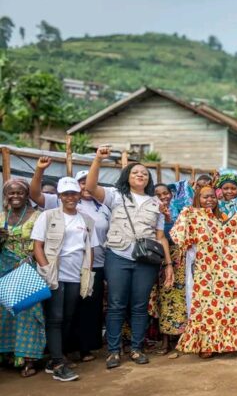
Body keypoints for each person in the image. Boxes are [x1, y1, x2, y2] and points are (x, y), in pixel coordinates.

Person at [85, 146, 174, 369]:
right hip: (118, 255)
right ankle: (114, 352)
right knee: (116, 304)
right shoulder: (115, 195)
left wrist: (169, 264)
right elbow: (90, 186)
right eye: (135, 172)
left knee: (140, 306)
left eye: (144, 173)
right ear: (127, 176)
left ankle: (136, 349)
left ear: (149, 179)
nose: (140, 175)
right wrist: (98, 159)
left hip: (146, 262)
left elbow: (161, 237)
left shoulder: (157, 204)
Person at [30, 160, 111, 362]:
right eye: (65, 194)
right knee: (55, 317)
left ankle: (61, 353)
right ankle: (57, 359)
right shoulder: (48, 216)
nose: (70, 197)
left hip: (76, 275)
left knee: (69, 316)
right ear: (59, 196)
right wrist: (46, 270)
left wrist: (88, 275)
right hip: (55, 273)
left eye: (73, 193)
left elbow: (89, 249)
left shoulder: (87, 219)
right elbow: (37, 246)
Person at [171, 186, 237, 357]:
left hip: (226, 271)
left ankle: (229, 343)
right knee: (203, 307)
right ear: (198, 198)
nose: (210, 200)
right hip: (203, 270)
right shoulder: (191, 216)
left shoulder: (223, 217)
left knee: (228, 307)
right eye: (205, 197)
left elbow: (233, 235)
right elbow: (179, 238)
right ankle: (206, 345)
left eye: (212, 197)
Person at [0, 179, 46, 378]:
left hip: (28, 269)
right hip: (4, 270)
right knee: (5, 313)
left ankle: (28, 359)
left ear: (27, 195)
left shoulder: (38, 216)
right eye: (11, 193)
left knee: (28, 313)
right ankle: (9, 355)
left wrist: (30, 260)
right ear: (6, 196)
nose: (15, 196)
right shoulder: (1, 216)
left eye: (20, 193)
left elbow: (45, 244)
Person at [147, 183, 187, 356]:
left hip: (178, 257)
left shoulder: (181, 208)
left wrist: (169, 218)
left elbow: (180, 233)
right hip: (157, 257)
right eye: (158, 194)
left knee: (179, 298)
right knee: (162, 299)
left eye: (166, 193)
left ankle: (179, 338)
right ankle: (164, 340)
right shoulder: (149, 209)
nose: (163, 196)